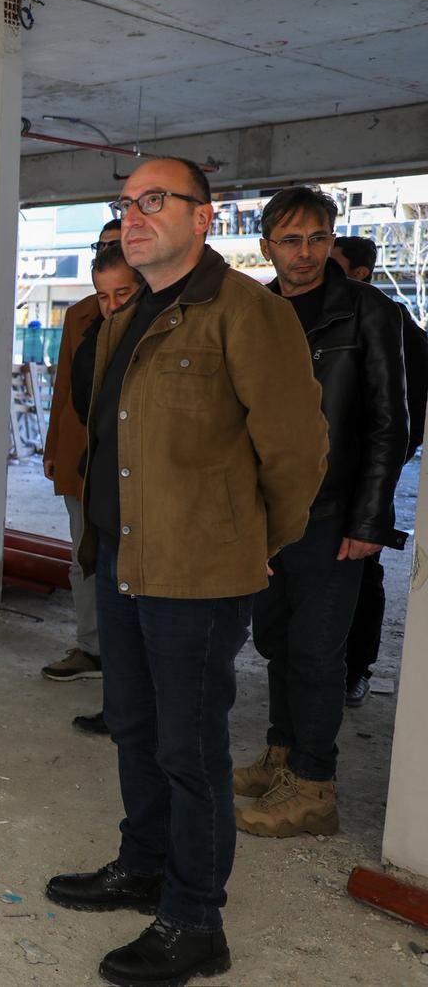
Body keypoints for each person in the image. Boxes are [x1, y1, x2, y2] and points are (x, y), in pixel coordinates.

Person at [45, 158, 327, 987]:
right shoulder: (127, 311)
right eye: (125, 203)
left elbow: (296, 449)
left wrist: (256, 539)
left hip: (196, 573)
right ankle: (145, 864)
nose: (133, 216)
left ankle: (197, 920)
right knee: (133, 727)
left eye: (154, 200)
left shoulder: (247, 311)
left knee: (190, 748)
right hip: (122, 559)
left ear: (206, 217)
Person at [232, 190, 407, 840]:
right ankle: (282, 754)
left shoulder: (367, 311)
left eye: (317, 238)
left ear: (332, 241)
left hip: (332, 509)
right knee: (276, 639)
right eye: (290, 240)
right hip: (266, 509)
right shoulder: (255, 310)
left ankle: (313, 787)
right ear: (266, 247)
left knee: (316, 648)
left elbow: (390, 422)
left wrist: (369, 519)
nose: (305, 253)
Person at [331, 235, 428, 706]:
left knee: (362, 576)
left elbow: (409, 414)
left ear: (361, 273)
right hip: (314, 481)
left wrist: (381, 467)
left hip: (364, 479)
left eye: (332, 263)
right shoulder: (306, 314)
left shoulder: (393, 322)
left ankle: (357, 670)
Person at [42, 219, 125, 688]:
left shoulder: (154, 310)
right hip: (82, 455)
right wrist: (53, 447)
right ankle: (91, 647)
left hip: (130, 458)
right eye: (103, 247)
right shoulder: (79, 315)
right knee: (82, 555)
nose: (110, 253)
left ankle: (127, 656)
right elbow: (63, 387)